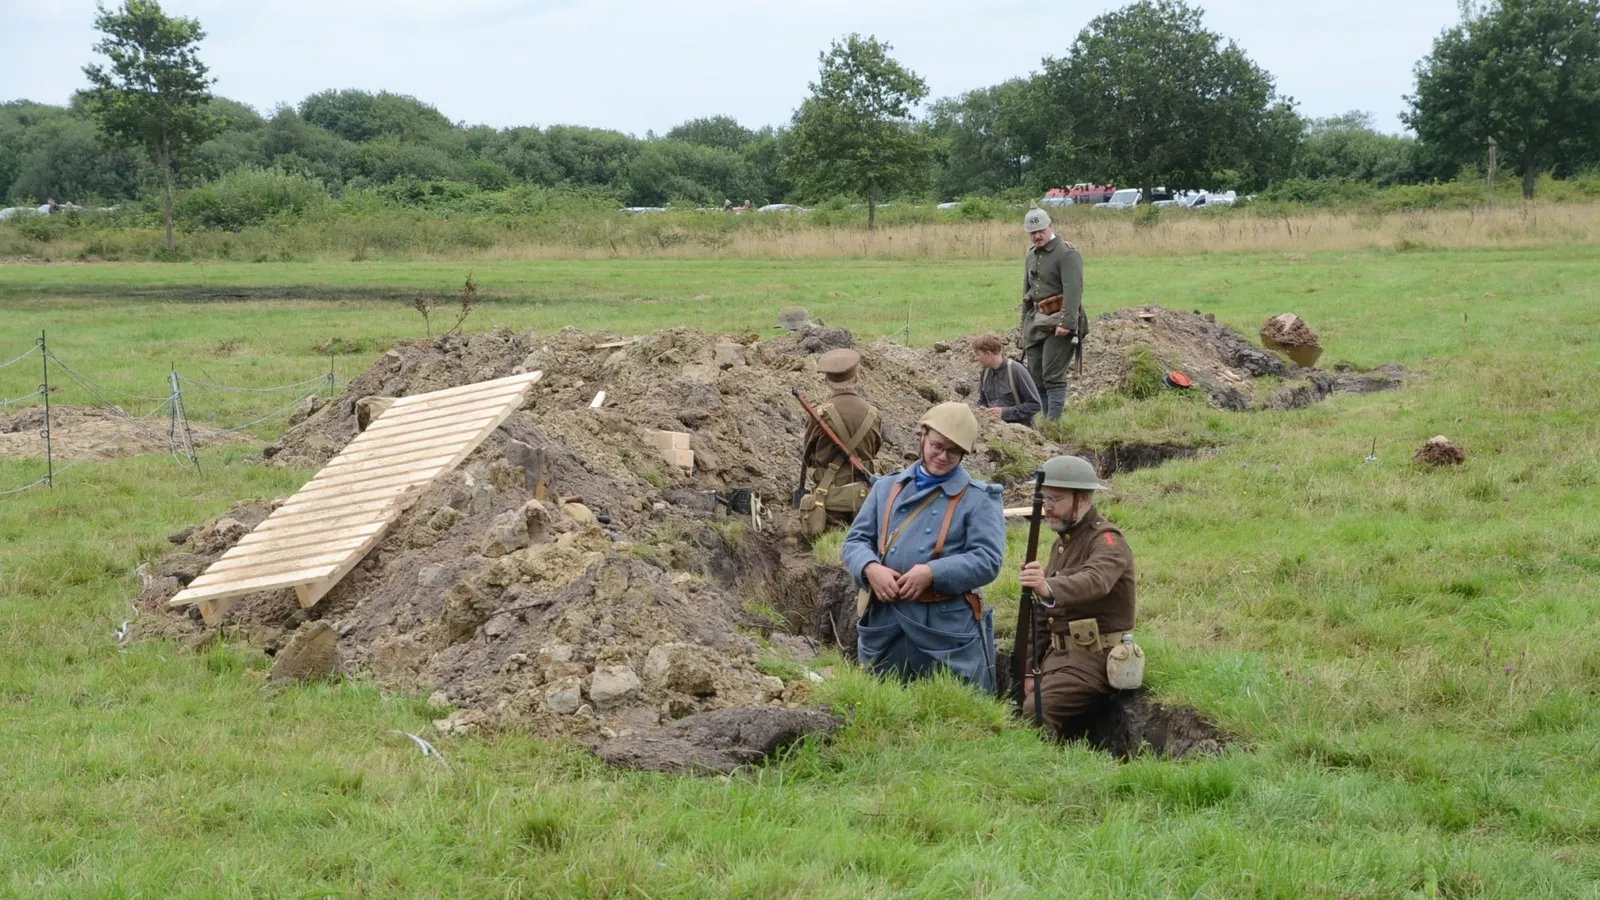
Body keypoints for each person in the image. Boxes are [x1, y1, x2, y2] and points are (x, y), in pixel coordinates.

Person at [842, 402, 1006, 691]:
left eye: (953, 451)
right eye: (936, 446)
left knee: (957, 718)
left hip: (946, 631)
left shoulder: (980, 499)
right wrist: (870, 569)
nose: (942, 456)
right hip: (886, 622)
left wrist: (932, 572)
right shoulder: (886, 487)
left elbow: (988, 560)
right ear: (923, 436)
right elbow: (856, 541)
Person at [1018, 455, 1135, 736]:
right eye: (1045, 499)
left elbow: (1096, 580)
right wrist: (1028, 668)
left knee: (1036, 712)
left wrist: (1048, 587)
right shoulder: (1064, 543)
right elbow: (1045, 614)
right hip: (1059, 655)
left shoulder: (1107, 541)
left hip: (1095, 656)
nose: (1048, 508)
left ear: (1082, 500)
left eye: (1055, 500)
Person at [797, 348, 882, 537]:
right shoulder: (873, 414)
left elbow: (808, 457)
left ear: (826, 381)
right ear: (856, 378)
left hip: (829, 500)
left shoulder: (820, 415)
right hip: (865, 499)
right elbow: (874, 450)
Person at [1020, 207, 1085, 421]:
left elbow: (1073, 290)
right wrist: (1024, 326)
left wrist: (1067, 323)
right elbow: (1027, 293)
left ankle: (1054, 423)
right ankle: (1044, 420)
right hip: (1036, 321)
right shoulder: (1031, 255)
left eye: (1041, 230)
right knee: (1035, 375)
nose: (1038, 235)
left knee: (1052, 375)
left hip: (1060, 321)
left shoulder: (1067, 253)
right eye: (1033, 232)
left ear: (1050, 227)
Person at [972, 334, 1042, 427]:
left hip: (1020, 432)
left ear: (988, 354)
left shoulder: (1016, 370)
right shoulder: (984, 374)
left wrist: (1004, 412)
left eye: (978, 355)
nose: (976, 358)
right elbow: (982, 402)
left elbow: (1035, 405)